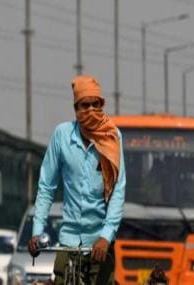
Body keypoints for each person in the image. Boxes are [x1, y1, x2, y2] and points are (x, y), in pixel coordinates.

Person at [28, 75, 126, 284]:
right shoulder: (62, 136)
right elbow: (46, 186)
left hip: (100, 240)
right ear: (76, 108)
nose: (90, 110)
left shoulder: (112, 137)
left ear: (102, 105)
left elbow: (118, 191)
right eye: (85, 105)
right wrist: (37, 232)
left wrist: (105, 237)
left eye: (95, 104)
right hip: (69, 239)